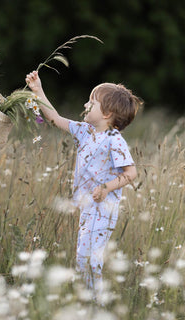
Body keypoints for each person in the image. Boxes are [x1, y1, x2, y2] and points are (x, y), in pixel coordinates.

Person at [26, 70, 141, 296]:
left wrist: (107, 188)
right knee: (82, 255)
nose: (85, 105)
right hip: (87, 206)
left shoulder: (114, 140)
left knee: (89, 259)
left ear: (107, 113)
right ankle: (88, 300)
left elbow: (131, 172)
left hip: (103, 208)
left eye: (91, 102)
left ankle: (94, 303)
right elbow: (55, 118)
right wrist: (38, 90)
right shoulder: (85, 131)